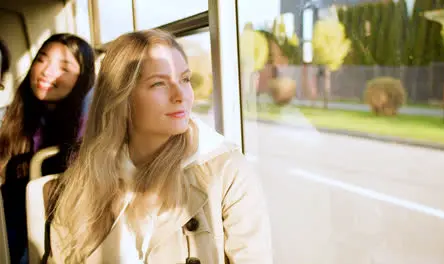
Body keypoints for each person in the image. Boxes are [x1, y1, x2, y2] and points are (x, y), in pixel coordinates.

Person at [47, 29, 272, 263]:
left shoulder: (226, 171)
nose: (180, 95)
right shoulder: (86, 178)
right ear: (122, 97)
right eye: (159, 84)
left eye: (185, 79)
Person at [0, 33, 95, 263]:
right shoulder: (12, 118)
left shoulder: (88, 128)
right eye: (42, 60)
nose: (46, 72)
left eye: (64, 67)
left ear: (81, 79)